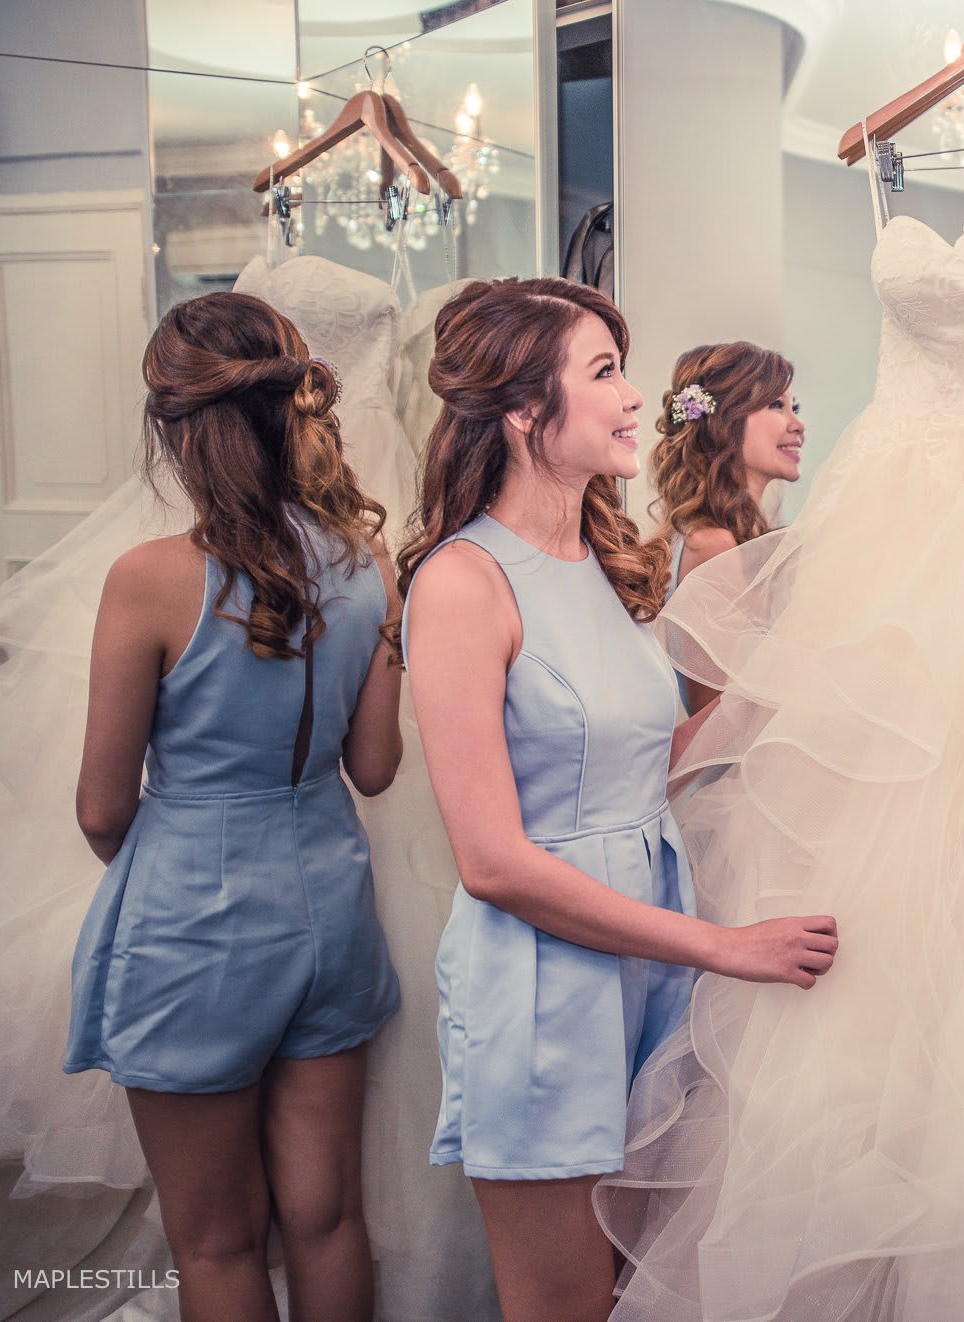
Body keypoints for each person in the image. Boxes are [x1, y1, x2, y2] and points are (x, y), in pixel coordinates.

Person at [394, 278, 837, 1322]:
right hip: (550, 983)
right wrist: (728, 947)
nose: (638, 397)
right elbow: (492, 859)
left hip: (653, 962)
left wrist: (814, 693)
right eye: (605, 373)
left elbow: (651, 762)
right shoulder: (463, 582)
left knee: (642, 1293)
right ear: (521, 411)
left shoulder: (602, 560)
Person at [64, 291, 404, 1322]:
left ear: (177, 429)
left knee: (215, 1240)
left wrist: (167, 860)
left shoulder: (149, 579)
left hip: (192, 913)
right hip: (331, 904)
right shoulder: (368, 564)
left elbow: (98, 805)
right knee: (328, 1214)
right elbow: (376, 766)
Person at [649, 340, 804, 711]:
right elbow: (714, 717)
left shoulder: (726, 538)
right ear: (725, 421)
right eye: (776, 405)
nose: (798, 425)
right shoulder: (711, 545)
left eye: (794, 407)